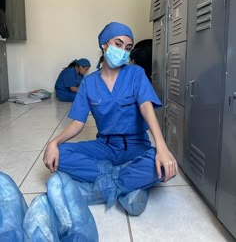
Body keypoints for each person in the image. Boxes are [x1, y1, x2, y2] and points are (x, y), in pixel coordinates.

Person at [44, 22, 178, 216]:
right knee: (60, 154)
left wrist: (162, 147)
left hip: (136, 145)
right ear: (104, 45)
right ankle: (129, 185)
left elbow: (146, 107)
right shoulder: (89, 82)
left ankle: (98, 190)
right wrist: (53, 142)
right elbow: (78, 123)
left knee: (164, 165)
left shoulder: (136, 74)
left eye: (128, 47)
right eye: (118, 43)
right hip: (105, 146)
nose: (123, 51)